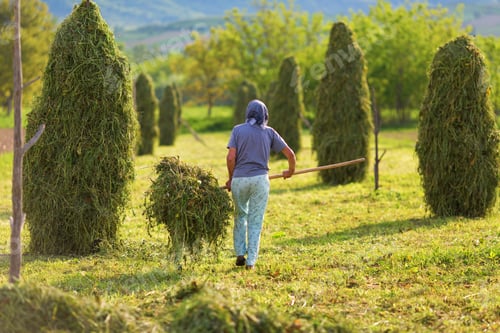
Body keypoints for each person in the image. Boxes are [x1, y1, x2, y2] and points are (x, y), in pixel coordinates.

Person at [226, 99, 296, 270]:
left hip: (239, 180)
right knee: (255, 221)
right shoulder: (269, 132)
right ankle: (251, 263)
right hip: (260, 180)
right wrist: (290, 171)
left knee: (240, 216)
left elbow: (230, 157)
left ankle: (240, 254)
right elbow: (290, 154)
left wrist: (231, 178)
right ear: (265, 115)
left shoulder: (237, 130)